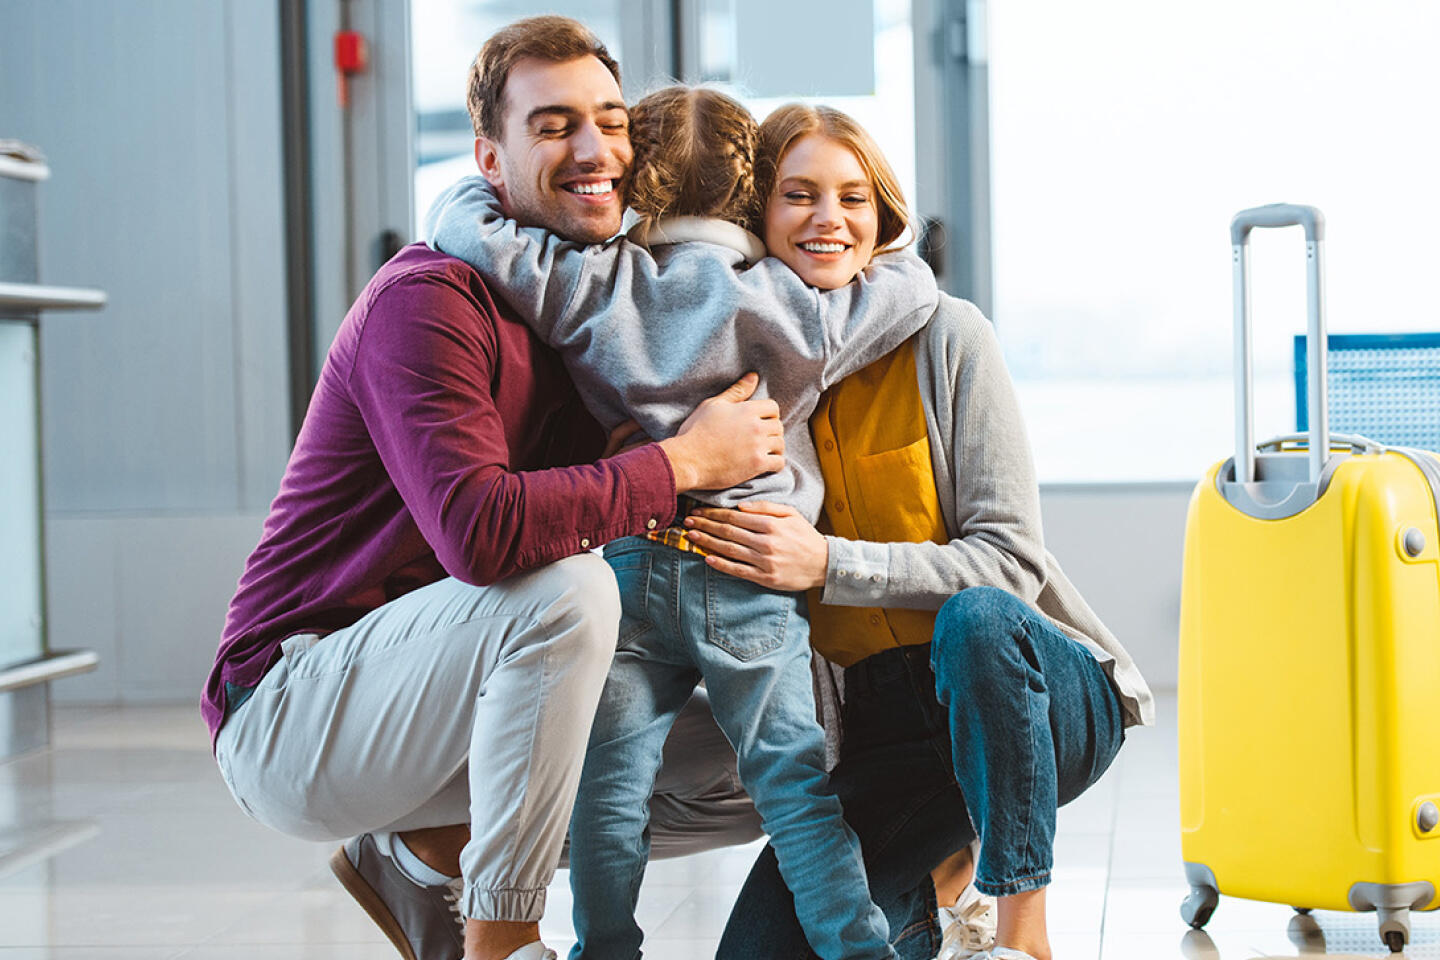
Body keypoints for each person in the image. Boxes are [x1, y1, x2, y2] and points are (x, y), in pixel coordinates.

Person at [203, 18, 775, 960]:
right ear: (491, 160)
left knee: (780, 738)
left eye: (609, 120)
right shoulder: (427, 301)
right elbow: (479, 534)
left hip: (454, 706)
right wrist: (681, 465)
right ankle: (504, 940)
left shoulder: (604, 313)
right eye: (552, 126)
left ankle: (429, 856)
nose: (594, 149)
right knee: (566, 588)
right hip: (293, 708)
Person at [424, 84, 940, 960]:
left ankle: (608, 949)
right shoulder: (796, 307)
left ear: (638, 187)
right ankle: (858, 951)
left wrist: (473, 183)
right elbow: (914, 284)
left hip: (628, 561)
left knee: (610, 786)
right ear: (750, 194)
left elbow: (463, 224)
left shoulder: (588, 284)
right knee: (794, 782)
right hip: (745, 570)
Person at [681, 104, 1157, 960]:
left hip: (1033, 690)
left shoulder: (950, 336)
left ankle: (1023, 934)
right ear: (757, 219)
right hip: (887, 733)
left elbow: (1009, 563)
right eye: (799, 195)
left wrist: (827, 563)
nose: (830, 218)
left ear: (882, 218)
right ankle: (937, 891)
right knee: (759, 952)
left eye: (853, 198)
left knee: (974, 618)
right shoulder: (740, 372)